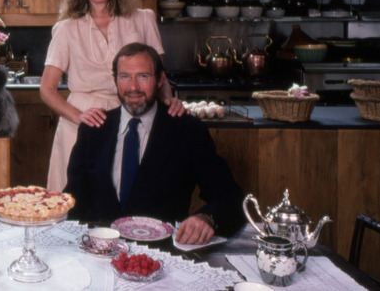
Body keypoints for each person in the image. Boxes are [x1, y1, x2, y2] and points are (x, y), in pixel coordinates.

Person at [65, 43, 245, 244]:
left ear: (160, 80)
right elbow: (72, 200)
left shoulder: (188, 131)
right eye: (125, 76)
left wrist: (207, 218)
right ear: (115, 79)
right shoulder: (93, 129)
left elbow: (230, 198)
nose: (133, 87)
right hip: (99, 252)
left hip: (161, 256)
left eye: (143, 76)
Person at [41, 0, 184, 192]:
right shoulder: (66, 29)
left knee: (131, 195)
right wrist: (78, 117)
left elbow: (159, 78)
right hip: (82, 123)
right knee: (75, 201)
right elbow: (47, 89)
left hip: (135, 118)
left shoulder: (143, 19)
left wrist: (170, 101)